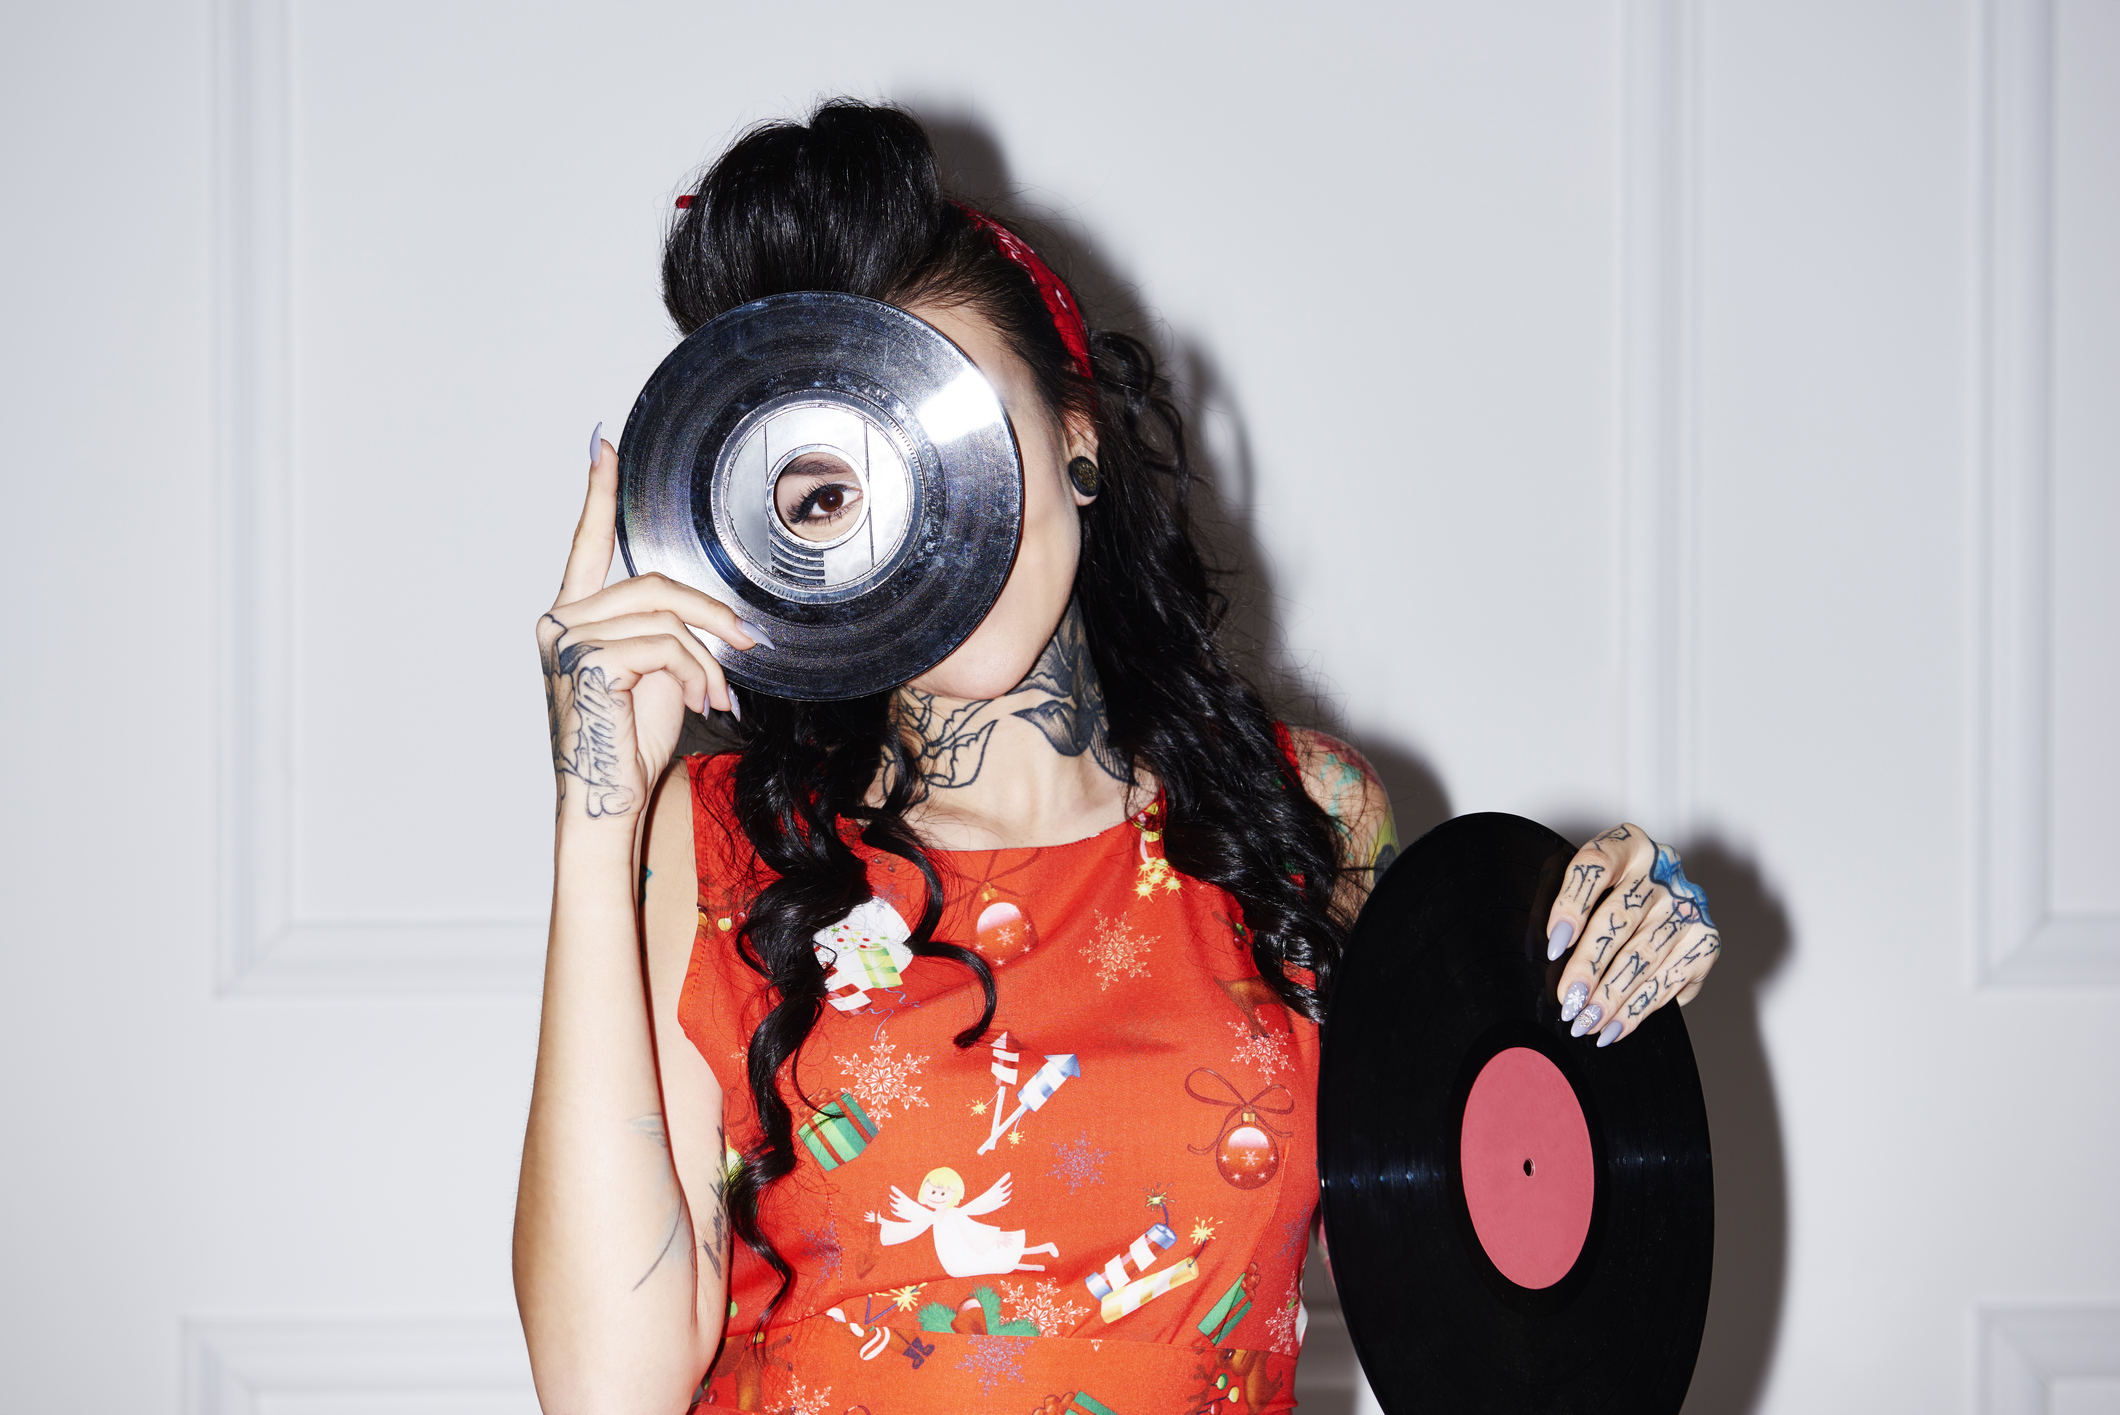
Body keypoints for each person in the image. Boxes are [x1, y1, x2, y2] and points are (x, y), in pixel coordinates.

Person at [512, 100, 1722, 1415]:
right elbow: (600, 1393)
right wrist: (597, 810)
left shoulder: (1304, 816)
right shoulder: (727, 842)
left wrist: (1606, 969)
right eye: (827, 494)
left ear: (1076, 442)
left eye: (945, 440)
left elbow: (1502, 1237)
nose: (908, 525)